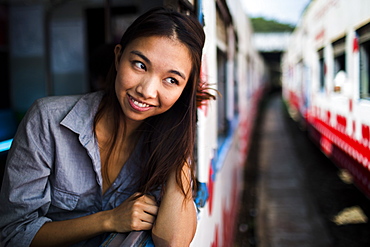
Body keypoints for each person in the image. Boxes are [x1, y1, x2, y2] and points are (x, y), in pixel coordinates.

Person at [0, 7, 214, 246]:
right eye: (140, 65)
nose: (147, 90)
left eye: (172, 80)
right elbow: (14, 234)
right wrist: (108, 220)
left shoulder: (164, 144)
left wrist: (178, 145)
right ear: (118, 56)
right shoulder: (46, 121)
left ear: (183, 91)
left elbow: (173, 242)